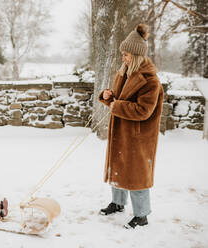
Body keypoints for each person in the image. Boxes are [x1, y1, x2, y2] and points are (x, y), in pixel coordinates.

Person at [98, 24, 164, 229]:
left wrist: (116, 105)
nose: (123, 58)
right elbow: (119, 101)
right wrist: (108, 97)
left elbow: (143, 110)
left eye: (126, 55)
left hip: (139, 136)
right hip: (121, 132)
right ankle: (118, 203)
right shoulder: (124, 73)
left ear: (136, 56)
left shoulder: (150, 81)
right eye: (123, 54)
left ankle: (142, 215)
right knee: (118, 167)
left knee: (137, 175)